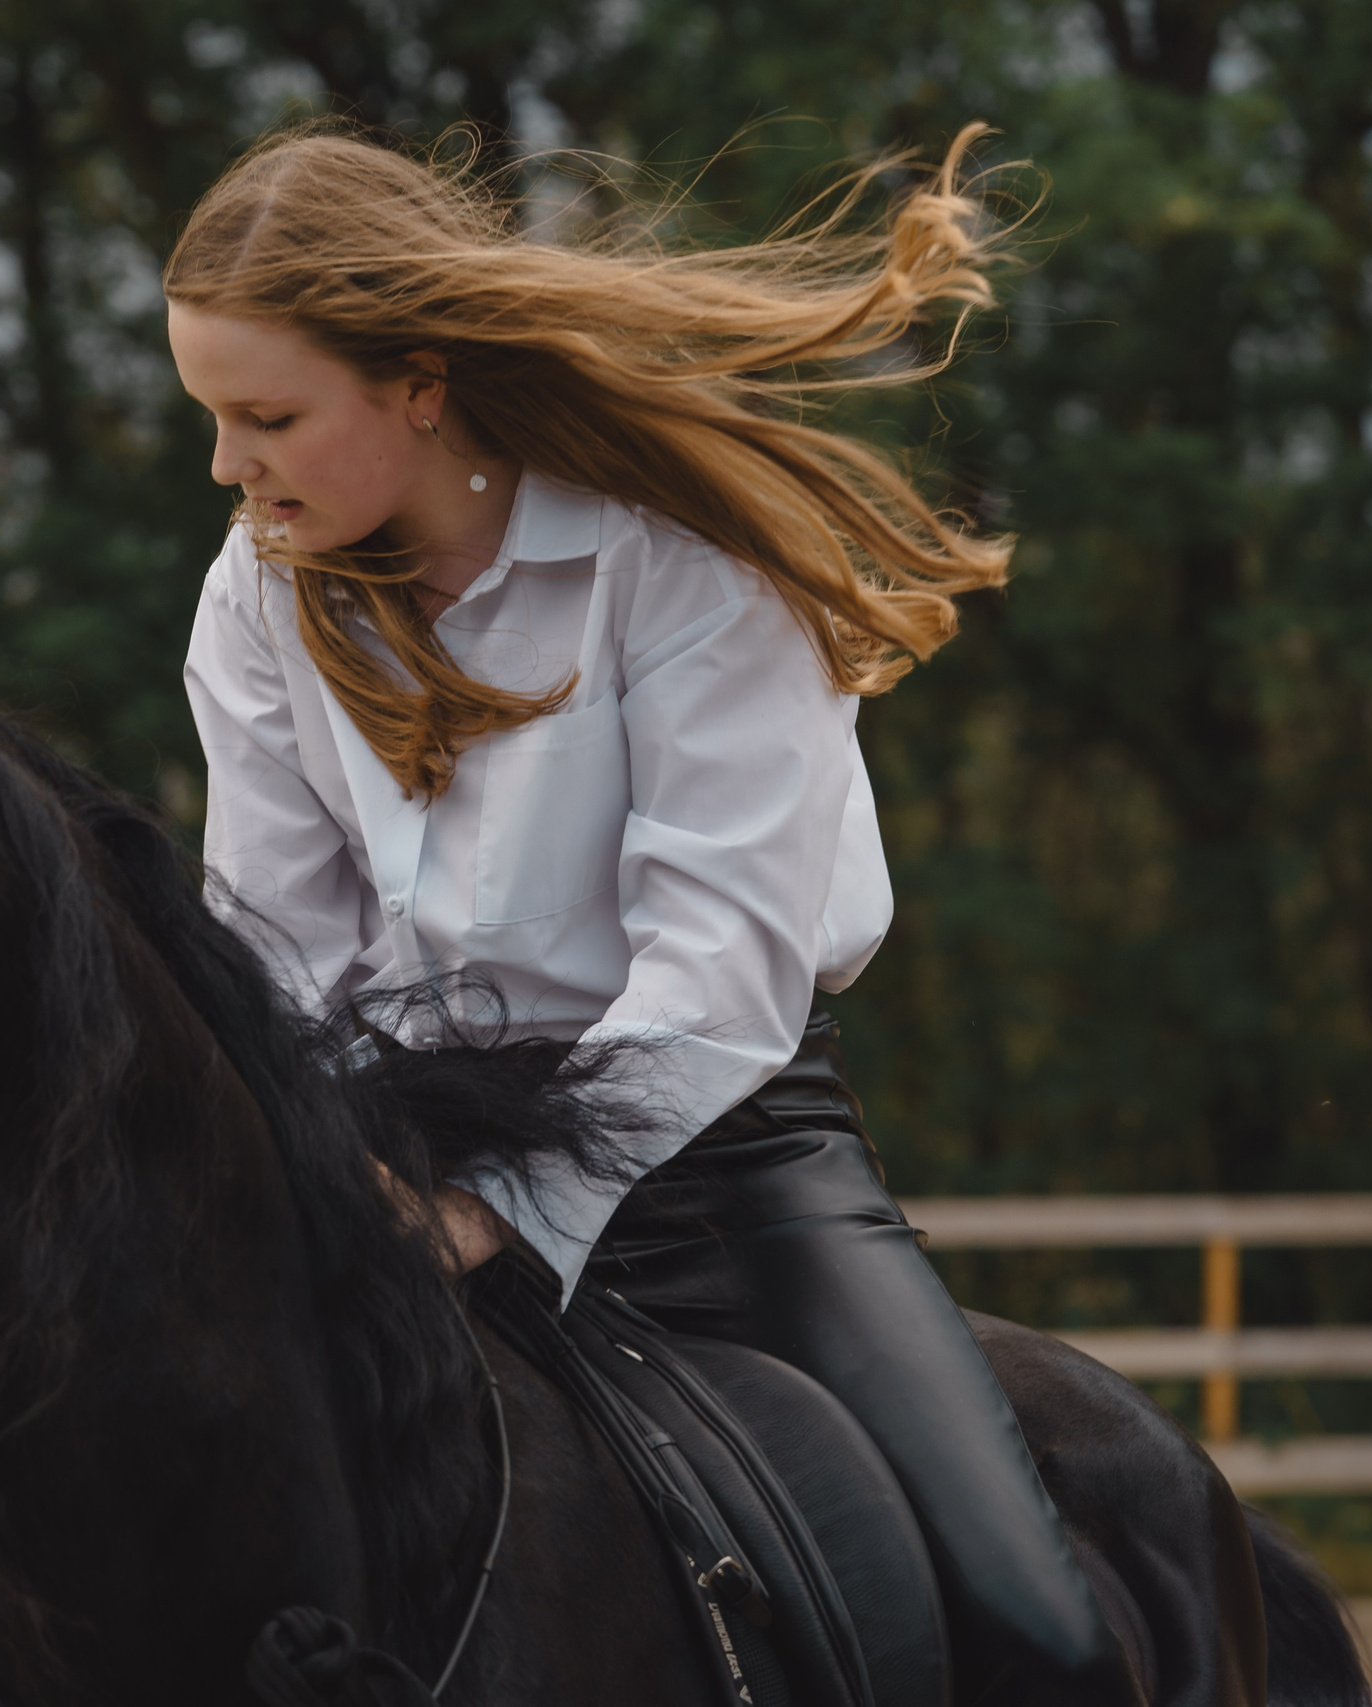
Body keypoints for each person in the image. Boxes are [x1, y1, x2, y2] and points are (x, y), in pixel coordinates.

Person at [166, 125, 1132, 1703]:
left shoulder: (683, 558)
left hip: (725, 1163)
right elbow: (275, 947)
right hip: (398, 1168)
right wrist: (356, 1182)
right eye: (210, 418)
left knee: (1034, 1633)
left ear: (418, 384)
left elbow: (720, 980)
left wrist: (496, 1211)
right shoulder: (258, 589)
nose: (227, 466)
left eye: (265, 417)